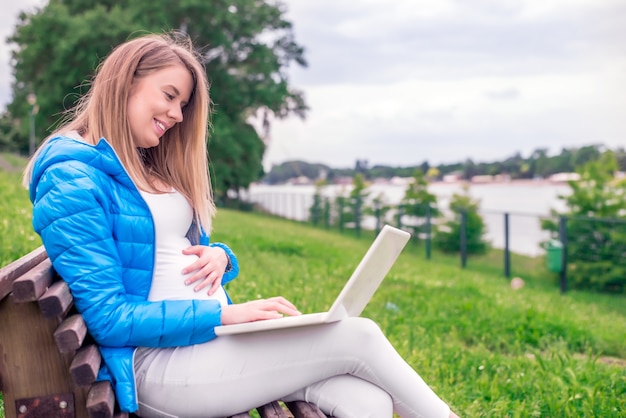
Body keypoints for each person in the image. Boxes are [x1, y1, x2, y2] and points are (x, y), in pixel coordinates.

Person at [24, 32, 460, 418]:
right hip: (159, 366)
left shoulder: (138, 162)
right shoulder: (72, 178)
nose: (177, 114)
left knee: (367, 402)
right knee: (358, 337)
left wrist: (220, 256)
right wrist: (225, 315)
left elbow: (174, 250)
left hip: (207, 346)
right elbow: (110, 319)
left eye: (183, 104)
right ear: (126, 82)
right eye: (170, 95)